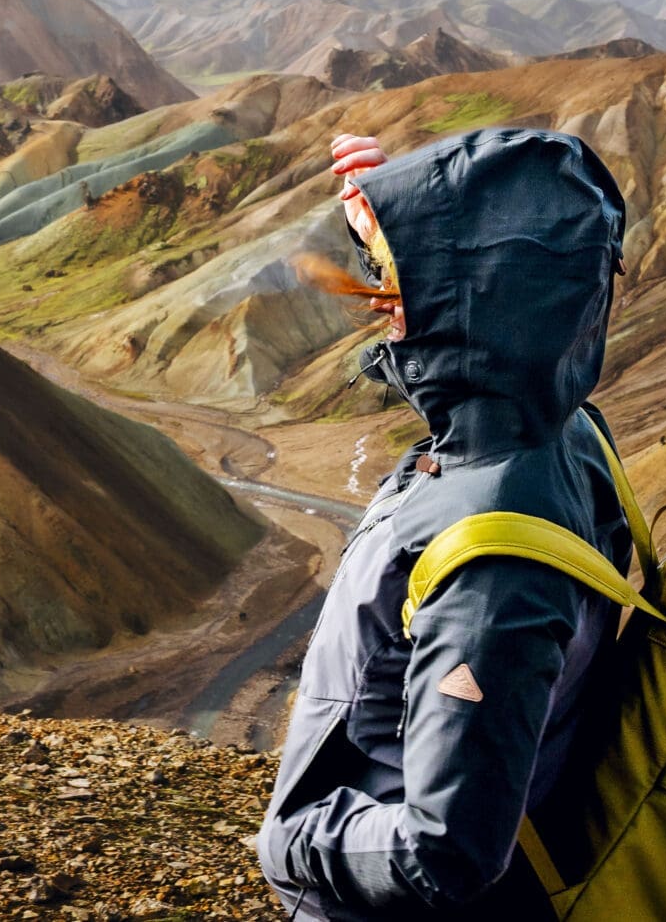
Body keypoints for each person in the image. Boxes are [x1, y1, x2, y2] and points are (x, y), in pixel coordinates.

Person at [258, 126, 634, 920]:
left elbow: (446, 849)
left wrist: (289, 841)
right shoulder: (555, 430)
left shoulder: (496, 562)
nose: (385, 306)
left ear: (483, 299)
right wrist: (397, 220)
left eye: (409, 279)